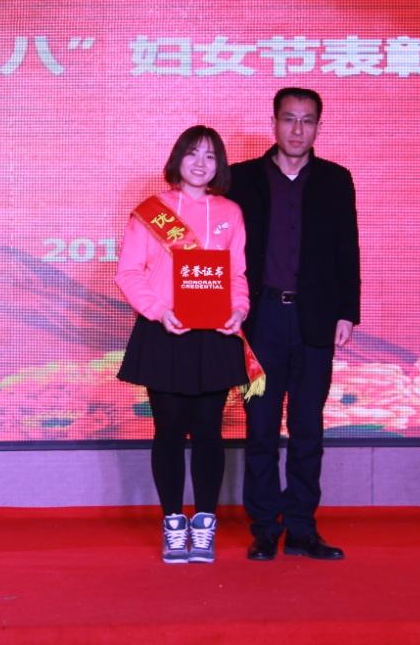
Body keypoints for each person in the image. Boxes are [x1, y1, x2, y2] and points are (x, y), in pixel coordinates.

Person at [228, 87, 360, 562]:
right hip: (261, 319)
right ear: (274, 124)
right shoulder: (241, 179)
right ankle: (265, 526)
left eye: (307, 121)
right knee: (260, 426)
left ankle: (302, 526)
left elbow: (347, 248)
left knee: (308, 426)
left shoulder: (336, 180)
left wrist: (347, 311)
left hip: (315, 321)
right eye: (289, 119)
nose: (298, 130)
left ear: (318, 127)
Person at [115, 125, 252, 564]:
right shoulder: (151, 212)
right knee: (169, 431)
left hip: (215, 335)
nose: (200, 163)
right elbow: (128, 273)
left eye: (210, 156)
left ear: (219, 165)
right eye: (193, 153)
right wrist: (158, 311)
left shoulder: (230, 211)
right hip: (165, 332)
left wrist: (239, 309)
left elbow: (236, 273)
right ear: (178, 158)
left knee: (210, 431)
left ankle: (205, 522)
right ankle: (174, 522)